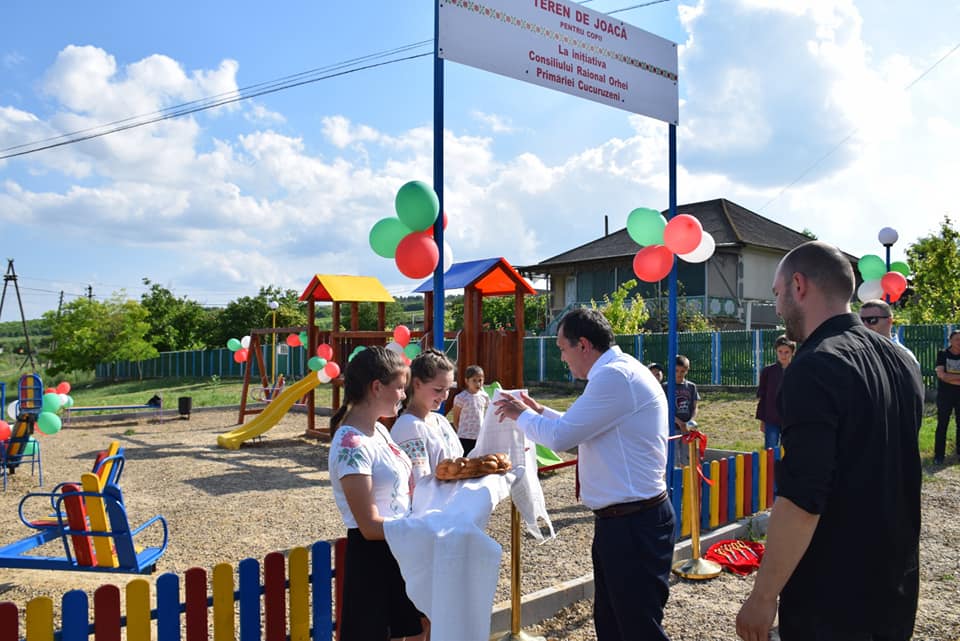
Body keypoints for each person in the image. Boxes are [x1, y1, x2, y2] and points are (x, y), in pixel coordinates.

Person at [736, 241, 923, 641]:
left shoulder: (815, 364)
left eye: (777, 293)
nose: (777, 307)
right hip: (895, 583)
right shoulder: (902, 361)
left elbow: (803, 496)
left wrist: (763, 596)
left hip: (834, 595)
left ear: (798, 285)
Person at [493, 307, 674, 641]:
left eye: (563, 348)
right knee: (613, 623)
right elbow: (580, 427)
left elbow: (562, 437)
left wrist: (520, 415)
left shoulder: (614, 377)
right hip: (624, 520)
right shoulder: (618, 371)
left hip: (633, 523)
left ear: (584, 345)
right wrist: (539, 411)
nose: (562, 358)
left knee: (637, 628)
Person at [327, 346, 426, 641]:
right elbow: (369, 526)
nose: (404, 395)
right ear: (376, 387)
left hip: (398, 548)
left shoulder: (379, 430)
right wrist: (423, 527)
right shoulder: (351, 443)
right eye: (400, 387)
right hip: (375, 558)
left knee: (417, 629)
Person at [392, 348, 463, 485]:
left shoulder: (440, 420)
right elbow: (419, 484)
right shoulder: (409, 427)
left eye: (448, 389)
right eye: (438, 389)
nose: (445, 396)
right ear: (417, 384)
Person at [755, 335, 795, 450]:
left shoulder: (798, 370)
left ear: (792, 352)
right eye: (780, 352)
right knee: (770, 451)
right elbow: (763, 396)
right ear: (776, 351)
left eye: (787, 352)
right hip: (771, 419)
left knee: (790, 451)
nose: (783, 355)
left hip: (791, 420)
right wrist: (762, 420)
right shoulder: (768, 371)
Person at [859, 298, 920, 368]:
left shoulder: (903, 356)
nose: (865, 325)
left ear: (889, 321)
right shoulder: (856, 352)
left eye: (872, 320)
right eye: (861, 320)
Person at [666, 354, 700, 467]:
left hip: (687, 430)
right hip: (672, 429)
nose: (679, 374)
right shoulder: (666, 387)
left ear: (687, 370)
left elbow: (694, 406)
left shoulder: (691, 387)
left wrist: (690, 422)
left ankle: (686, 476)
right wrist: (680, 423)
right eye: (676, 371)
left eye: (682, 371)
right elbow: (665, 409)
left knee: (687, 458)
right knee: (674, 458)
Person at [450, 364, 490, 455]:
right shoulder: (461, 397)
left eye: (480, 380)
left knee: (478, 459)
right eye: (474, 380)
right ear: (467, 381)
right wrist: (461, 431)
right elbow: (456, 419)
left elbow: (488, 412)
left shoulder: (484, 396)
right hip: (464, 437)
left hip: (479, 436)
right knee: (465, 459)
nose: (478, 384)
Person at [934, 329, 960, 464]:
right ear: (950, 340)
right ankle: (939, 456)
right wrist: (950, 377)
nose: (959, 342)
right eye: (957, 339)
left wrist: (949, 377)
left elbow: (946, 376)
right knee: (942, 424)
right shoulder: (942, 354)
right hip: (945, 395)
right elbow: (941, 375)